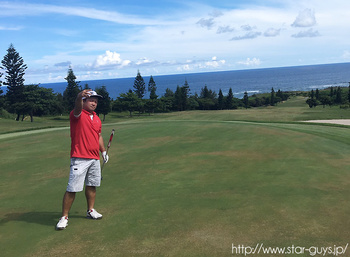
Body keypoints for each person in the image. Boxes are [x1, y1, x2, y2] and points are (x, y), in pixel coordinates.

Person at [56, 89, 109, 230]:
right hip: (79, 158)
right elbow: (77, 107)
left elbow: (98, 136)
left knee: (92, 185)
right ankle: (64, 217)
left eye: (96, 101)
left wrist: (103, 151)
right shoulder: (77, 115)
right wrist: (79, 96)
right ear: (84, 101)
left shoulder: (97, 118)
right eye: (91, 100)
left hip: (94, 158)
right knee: (72, 188)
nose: (94, 103)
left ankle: (90, 210)